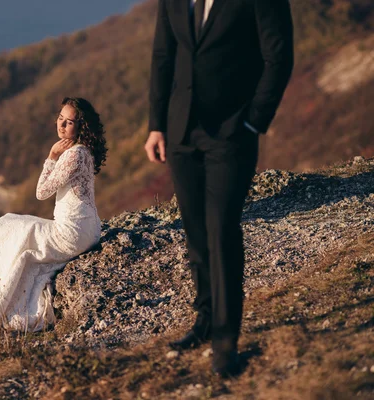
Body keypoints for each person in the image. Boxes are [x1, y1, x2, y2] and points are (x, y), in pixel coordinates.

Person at [145, 0, 294, 376]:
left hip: (231, 134)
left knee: (221, 231)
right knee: (196, 234)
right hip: (180, 133)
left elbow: (279, 56)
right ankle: (206, 321)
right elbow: (163, 55)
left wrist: (255, 122)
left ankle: (226, 342)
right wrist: (157, 125)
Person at [0, 97, 107, 332]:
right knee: (17, 226)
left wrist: (51, 157)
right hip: (89, 230)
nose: (62, 125)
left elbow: (41, 192)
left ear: (81, 127)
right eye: (60, 118)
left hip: (72, 233)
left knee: (9, 225)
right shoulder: (84, 151)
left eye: (69, 122)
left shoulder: (73, 155)